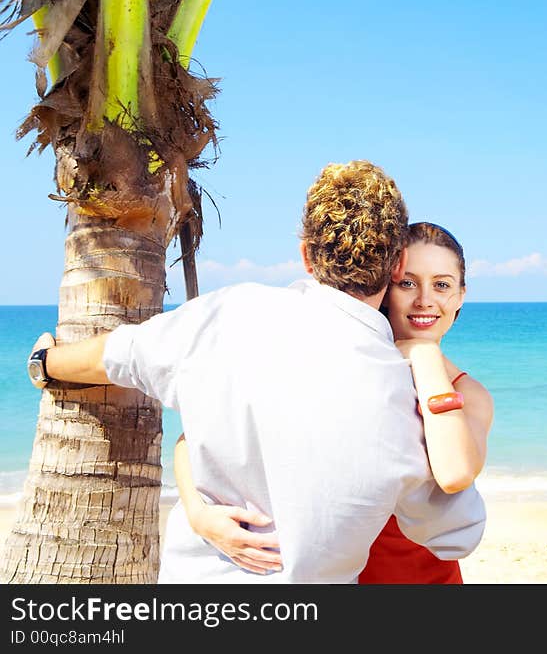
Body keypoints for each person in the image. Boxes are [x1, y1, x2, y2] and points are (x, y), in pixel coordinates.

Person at [26, 161, 486, 583]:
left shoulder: (232, 311)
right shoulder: (401, 396)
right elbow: (455, 534)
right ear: (397, 264)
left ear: (307, 255)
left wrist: (45, 363)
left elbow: (119, 353)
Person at [174, 222, 494, 583]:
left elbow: (454, 473)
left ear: (461, 295)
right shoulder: (337, 362)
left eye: (442, 285)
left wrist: (425, 356)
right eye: (407, 282)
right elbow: (200, 435)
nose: (424, 300)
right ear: (385, 288)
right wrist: (199, 514)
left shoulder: (470, 394)